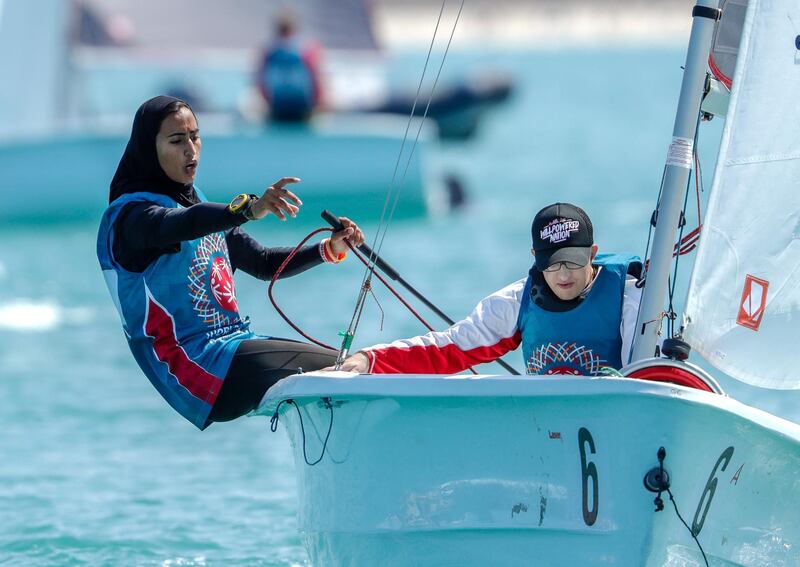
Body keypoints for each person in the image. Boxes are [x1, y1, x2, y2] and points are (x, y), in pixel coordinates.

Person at [97, 95, 364, 430]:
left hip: (234, 350)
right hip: (197, 366)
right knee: (355, 367)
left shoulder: (196, 204)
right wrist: (248, 209)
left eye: (195, 137)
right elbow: (180, 224)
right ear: (149, 148)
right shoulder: (130, 219)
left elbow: (264, 262)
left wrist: (328, 248)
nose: (191, 150)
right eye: (177, 140)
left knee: (351, 366)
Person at [335, 203, 643, 376]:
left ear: (592, 254)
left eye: (573, 263)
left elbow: (649, 376)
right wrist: (369, 359)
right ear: (535, 259)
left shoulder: (629, 298)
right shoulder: (517, 302)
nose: (563, 274)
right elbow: (446, 349)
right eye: (552, 264)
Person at [255, 12, 323, 122]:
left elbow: (260, 82)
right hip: (303, 107)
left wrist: (268, 103)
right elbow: (317, 78)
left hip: (277, 107)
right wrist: (319, 103)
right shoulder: (308, 50)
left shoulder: (268, 52)